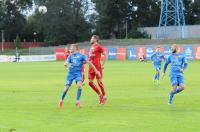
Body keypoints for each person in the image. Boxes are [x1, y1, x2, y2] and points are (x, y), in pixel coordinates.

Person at [59, 44, 100, 108]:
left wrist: (96, 70)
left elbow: (89, 62)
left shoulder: (81, 56)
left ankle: (77, 101)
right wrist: (66, 64)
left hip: (78, 73)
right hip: (70, 74)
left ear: (75, 48)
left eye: (71, 48)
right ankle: (61, 100)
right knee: (66, 88)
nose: (70, 49)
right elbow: (66, 63)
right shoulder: (70, 56)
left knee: (79, 85)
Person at [88, 35, 108, 105]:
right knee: (90, 83)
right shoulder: (91, 47)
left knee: (99, 82)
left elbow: (105, 55)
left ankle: (104, 96)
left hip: (97, 68)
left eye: (92, 38)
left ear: (95, 39)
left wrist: (103, 65)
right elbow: (90, 58)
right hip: (90, 68)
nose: (90, 39)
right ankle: (100, 95)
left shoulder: (99, 46)